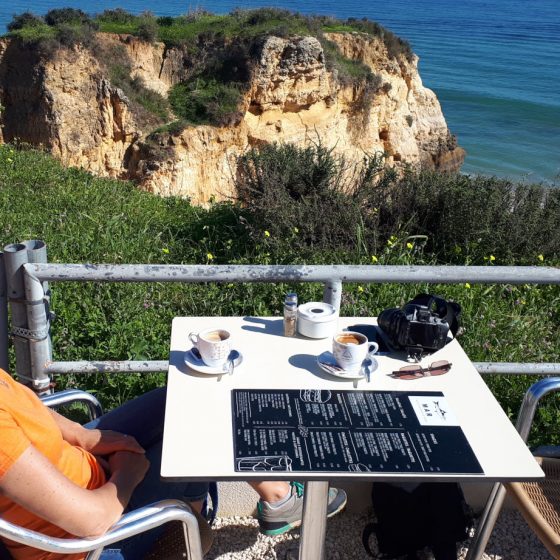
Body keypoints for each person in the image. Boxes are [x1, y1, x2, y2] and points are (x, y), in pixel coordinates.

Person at [0, 368, 347, 559]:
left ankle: (266, 499)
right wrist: (126, 473)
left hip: (83, 464)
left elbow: (25, 409)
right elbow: (91, 521)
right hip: (87, 542)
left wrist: (83, 435)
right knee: (194, 439)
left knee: (192, 399)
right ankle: (185, 528)